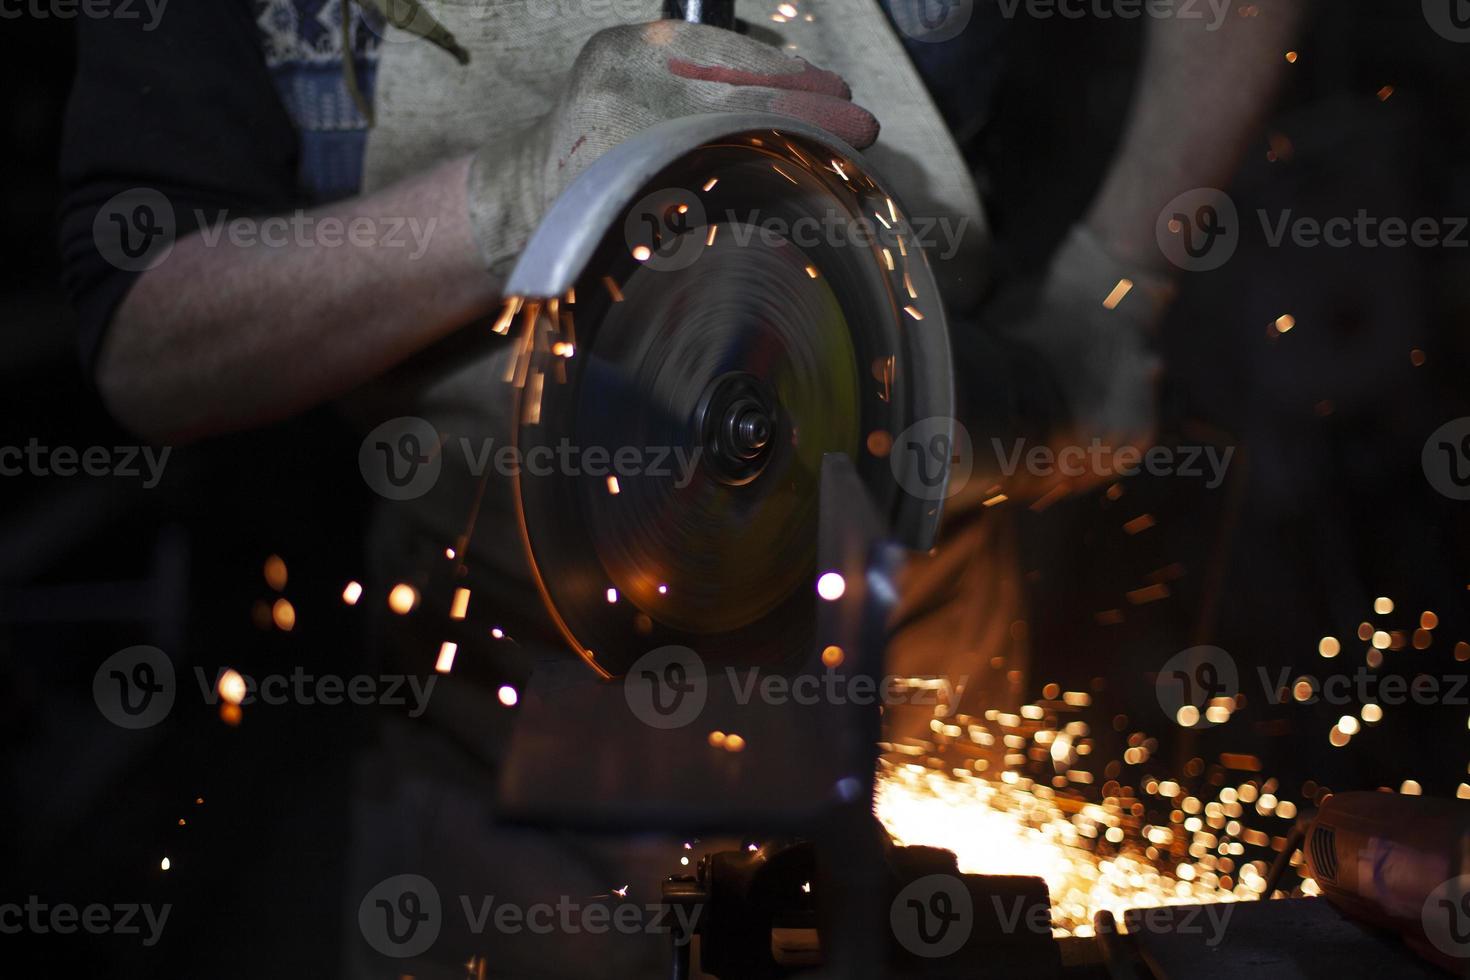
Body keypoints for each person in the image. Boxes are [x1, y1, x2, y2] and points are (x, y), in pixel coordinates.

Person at [60, 1, 1305, 974]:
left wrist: (1110, 282)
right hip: (505, 662)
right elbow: (143, 338)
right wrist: (516, 189)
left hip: (904, 625)